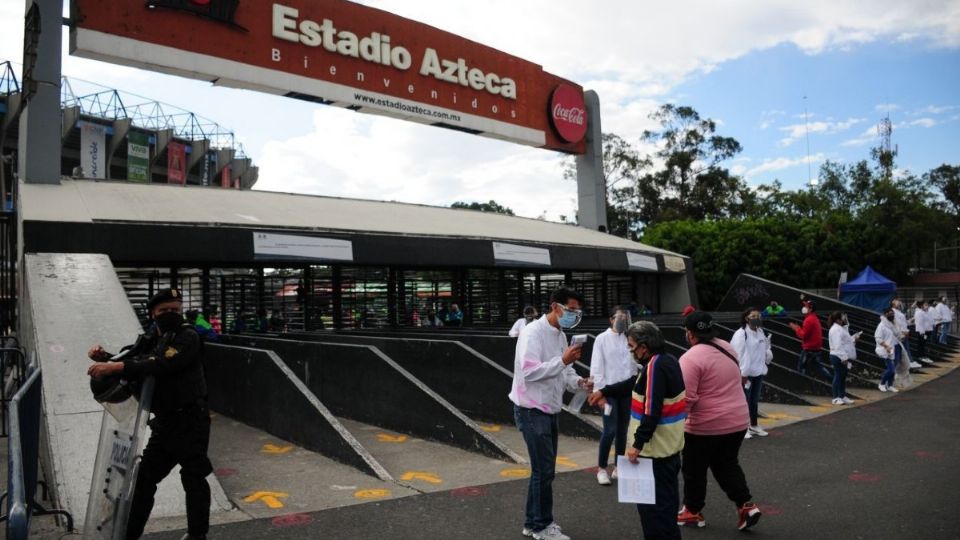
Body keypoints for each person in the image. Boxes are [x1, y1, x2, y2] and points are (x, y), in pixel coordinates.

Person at [86, 288, 211, 540]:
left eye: (174, 309)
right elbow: (135, 359)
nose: (170, 314)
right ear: (153, 313)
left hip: (190, 420)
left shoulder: (187, 337)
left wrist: (117, 366)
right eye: (163, 310)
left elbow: (163, 363)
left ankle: (198, 535)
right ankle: (128, 534)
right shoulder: (151, 338)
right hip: (165, 423)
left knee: (193, 476)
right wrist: (106, 358)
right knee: (144, 480)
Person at [508, 287, 591, 540]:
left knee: (543, 470)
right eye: (571, 309)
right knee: (544, 471)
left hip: (549, 408)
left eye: (578, 310)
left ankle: (533, 522)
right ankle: (541, 525)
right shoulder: (533, 332)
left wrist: (579, 383)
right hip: (531, 408)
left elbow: (564, 373)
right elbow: (529, 372)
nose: (575, 314)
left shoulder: (561, 335)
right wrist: (563, 361)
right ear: (555, 306)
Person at [591, 321, 685, 539]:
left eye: (632, 346)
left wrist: (636, 445)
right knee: (667, 509)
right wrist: (605, 390)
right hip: (669, 450)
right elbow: (634, 383)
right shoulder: (669, 361)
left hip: (652, 453)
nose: (630, 350)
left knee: (653, 514)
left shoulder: (655, 367)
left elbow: (651, 411)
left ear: (644, 346)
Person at [676, 311, 761, 532]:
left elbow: (687, 399)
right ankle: (746, 505)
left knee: (694, 469)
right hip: (738, 421)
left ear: (690, 334)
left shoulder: (690, 359)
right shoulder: (726, 346)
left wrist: (673, 426)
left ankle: (692, 511)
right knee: (726, 464)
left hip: (706, 425)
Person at [586, 306, 637, 485]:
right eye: (620, 318)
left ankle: (619, 466)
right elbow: (597, 367)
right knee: (610, 430)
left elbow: (633, 365)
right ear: (611, 319)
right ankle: (601, 468)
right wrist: (598, 394)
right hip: (608, 392)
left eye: (626, 318)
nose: (623, 321)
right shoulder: (602, 339)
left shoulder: (629, 338)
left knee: (623, 430)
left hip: (625, 392)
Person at [730, 307, 772, 439]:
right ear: (746, 318)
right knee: (744, 401)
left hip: (758, 372)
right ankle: (742, 427)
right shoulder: (741, 334)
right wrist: (743, 373)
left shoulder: (760, 332)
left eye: (758, 316)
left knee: (753, 401)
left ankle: (754, 425)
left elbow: (765, 349)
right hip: (745, 374)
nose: (757, 318)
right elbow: (740, 354)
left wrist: (767, 357)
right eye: (753, 316)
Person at [789, 300, 832, 379]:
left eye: (806, 306)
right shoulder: (813, 318)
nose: (804, 308)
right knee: (819, 367)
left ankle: (800, 386)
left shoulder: (809, 320)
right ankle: (831, 380)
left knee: (801, 368)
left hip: (809, 349)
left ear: (810, 309)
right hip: (816, 349)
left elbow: (803, 335)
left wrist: (796, 328)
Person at [827, 312, 858, 405]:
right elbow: (838, 345)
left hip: (840, 355)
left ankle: (842, 396)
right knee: (838, 376)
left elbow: (844, 342)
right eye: (842, 318)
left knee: (842, 376)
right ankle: (835, 397)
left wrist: (853, 340)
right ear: (838, 320)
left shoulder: (839, 329)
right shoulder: (836, 330)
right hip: (838, 356)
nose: (844, 319)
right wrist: (844, 358)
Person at [875, 306, 900, 393]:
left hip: (893, 348)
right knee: (891, 369)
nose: (892, 315)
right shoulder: (881, 325)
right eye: (889, 313)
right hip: (884, 350)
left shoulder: (892, 324)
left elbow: (896, 334)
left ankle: (890, 385)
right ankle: (881, 383)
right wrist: (886, 346)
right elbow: (878, 338)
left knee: (893, 370)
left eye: (892, 313)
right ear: (885, 315)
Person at [911, 300, 934, 365]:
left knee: (924, 344)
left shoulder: (927, 312)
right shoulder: (919, 313)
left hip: (928, 330)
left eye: (927, 305)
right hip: (922, 331)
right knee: (921, 344)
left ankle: (924, 355)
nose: (927, 306)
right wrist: (922, 332)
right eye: (925, 305)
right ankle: (920, 356)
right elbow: (919, 323)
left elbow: (930, 321)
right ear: (921, 306)